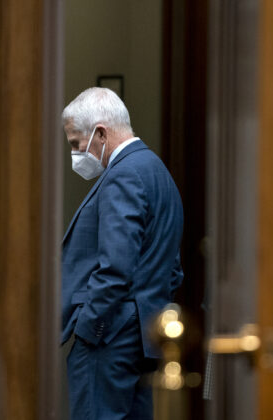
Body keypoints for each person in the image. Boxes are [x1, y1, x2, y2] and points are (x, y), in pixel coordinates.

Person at [61, 87, 184, 420]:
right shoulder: (158, 171)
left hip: (109, 340)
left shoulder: (124, 175)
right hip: (145, 339)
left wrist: (90, 329)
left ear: (100, 133)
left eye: (75, 143)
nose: (74, 153)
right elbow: (172, 269)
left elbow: (115, 268)